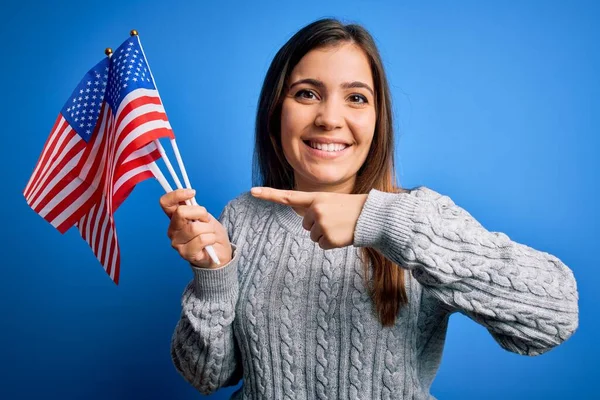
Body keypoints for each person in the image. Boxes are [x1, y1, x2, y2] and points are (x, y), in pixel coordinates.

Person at [160, 18, 579, 400]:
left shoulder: (417, 218)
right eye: (307, 93)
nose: (329, 118)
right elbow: (205, 376)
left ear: (378, 119)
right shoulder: (241, 217)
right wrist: (212, 275)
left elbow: (555, 316)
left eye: (356, 98)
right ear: (275, 112)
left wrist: (379, 221)